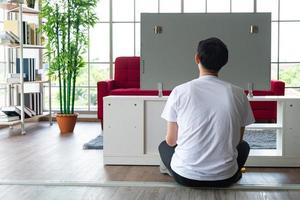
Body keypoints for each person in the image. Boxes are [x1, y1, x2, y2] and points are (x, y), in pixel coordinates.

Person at [158, 37, 255, 187]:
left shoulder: (179, 91)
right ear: (224, 61)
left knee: (163, 146)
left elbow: (171, 141)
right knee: (244, 146)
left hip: (185, 177)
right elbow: (237, 141)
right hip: (225, 178)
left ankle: (177, 170)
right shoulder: (238, 93)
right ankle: (231, 173)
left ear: (197, 58)